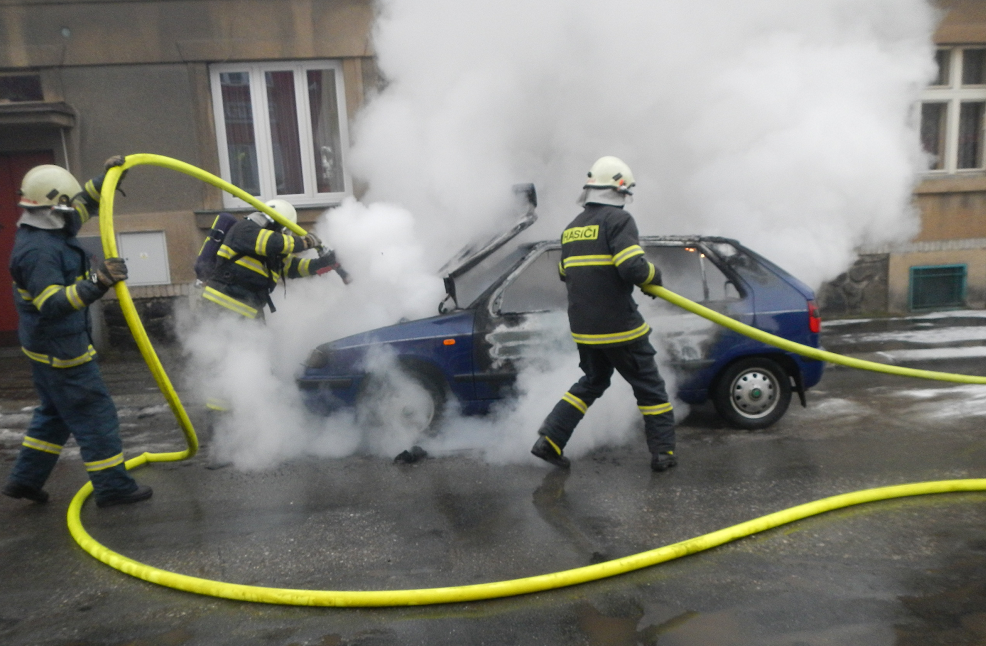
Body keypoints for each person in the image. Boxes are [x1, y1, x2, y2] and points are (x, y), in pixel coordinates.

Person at [2, 157, 153, 507]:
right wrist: (98, 283)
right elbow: (52, 303)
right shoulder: (39, 251)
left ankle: (25, 480)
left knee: (55, 414)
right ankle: (113, 487)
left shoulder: (49, 224)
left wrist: (112, 175)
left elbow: (84, 201)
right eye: (69, 207)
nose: (77, 212)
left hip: (45, 348)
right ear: (57, 207)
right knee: (95, 414)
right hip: (62, 351)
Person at [530, 156, 677, 472]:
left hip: (585, 329)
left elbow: (565, 273)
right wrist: (655, 276)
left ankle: (550, 440)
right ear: (620, 188)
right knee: (650, 388)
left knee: (592, 381)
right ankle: (664, 454)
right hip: (619, 327)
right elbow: (633, 267)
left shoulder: (571, 229)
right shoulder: (618, 221)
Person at [199, 199, 338, 321]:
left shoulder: (270, 250)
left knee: (256, 348)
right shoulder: (245, 230)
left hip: (249, 310)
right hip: (220, 305)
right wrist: (305, 242)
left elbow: (294, 267)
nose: (284, 236)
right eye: (284, 232)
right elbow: (273, 242)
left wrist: (324, 262)